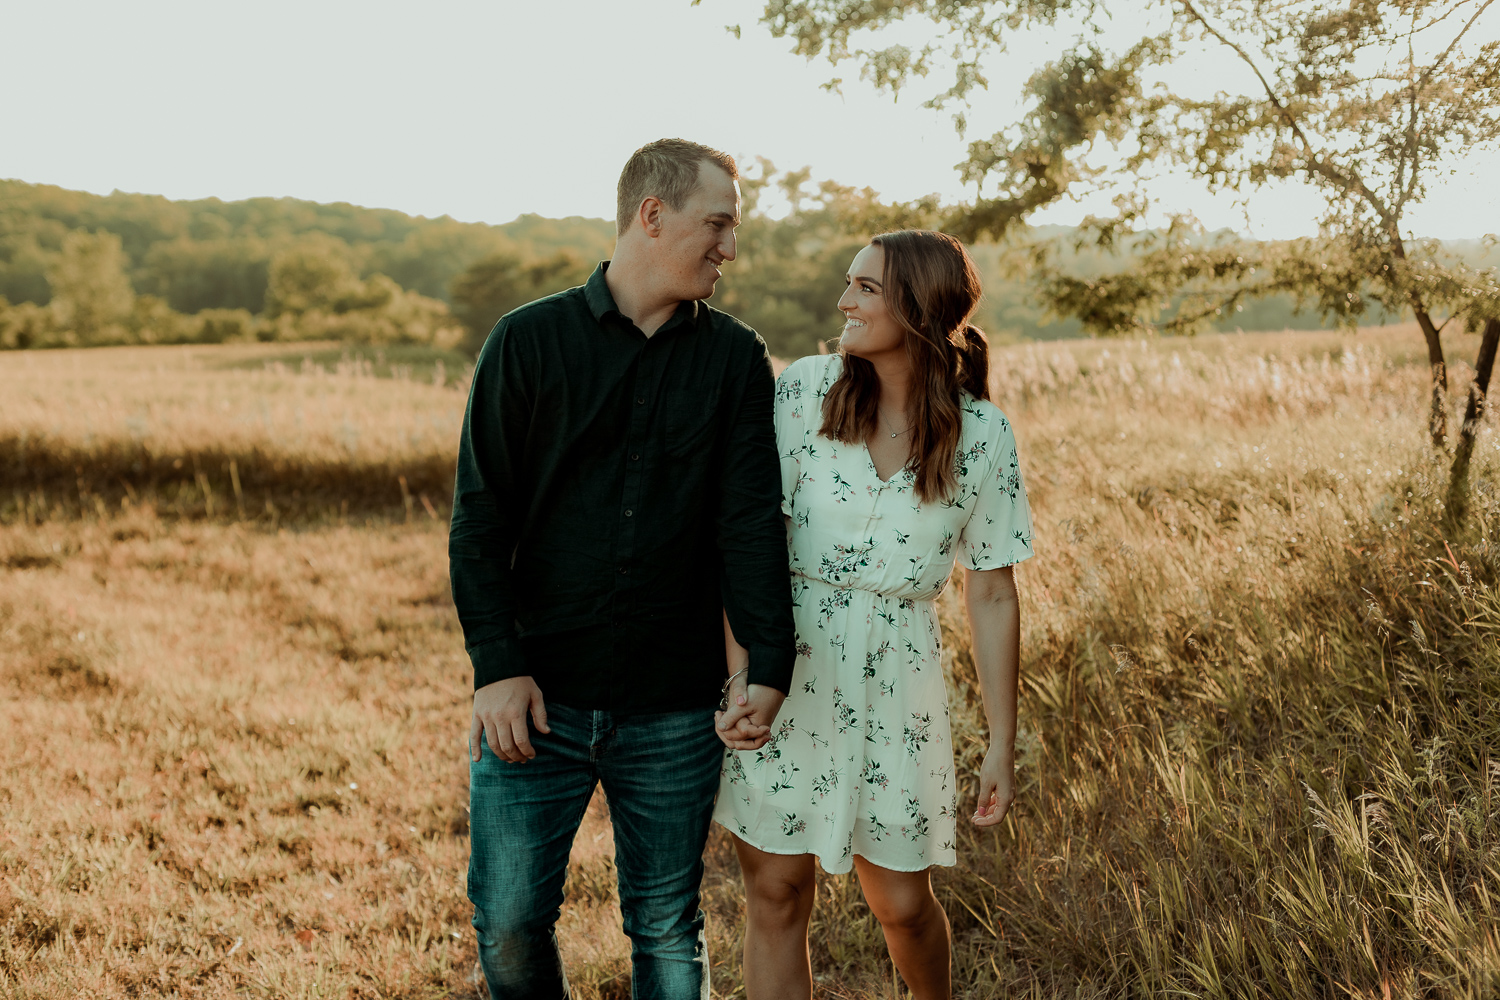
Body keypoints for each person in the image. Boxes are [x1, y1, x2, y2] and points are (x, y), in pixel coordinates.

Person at [448, 138, 796, 999]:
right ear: (652, 215)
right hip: (537, 698)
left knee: (666, 923)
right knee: (509, 919)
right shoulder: (525, 341)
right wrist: (498, 666)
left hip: (676, 707)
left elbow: (748, 524)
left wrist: (768, 663)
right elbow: (480, 518)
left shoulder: (735, 359)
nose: (730, 247)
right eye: (717, 223)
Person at [712, 230, 1034, 999]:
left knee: (901, 903)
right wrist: (740, 677)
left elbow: (991, 591)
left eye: (864, 288)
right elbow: (751, 540)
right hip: (786, 666)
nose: (842, 301)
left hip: (898, 681)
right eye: (847, 283)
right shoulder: (805, 391)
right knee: (776, 891)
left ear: (919, 308)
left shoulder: (982, 435)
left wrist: (1001, 740)